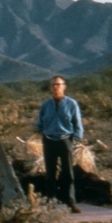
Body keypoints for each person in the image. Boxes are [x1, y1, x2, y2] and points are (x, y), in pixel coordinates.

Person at [36, 75, 84, 213]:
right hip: (49, 140)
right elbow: (39, 121)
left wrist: (76, 139)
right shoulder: (46, 105)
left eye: (58, 84)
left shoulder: (71, 104)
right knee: (50, 172)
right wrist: (42, 131)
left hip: (65, 139)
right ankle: (50, 201)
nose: (55, 87)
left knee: (67, 172)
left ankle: (70, 201)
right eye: (52, 85)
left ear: (64, 86)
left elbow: (77, 122)